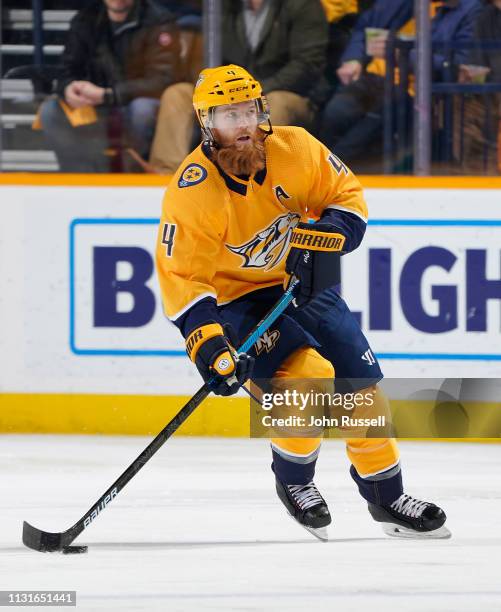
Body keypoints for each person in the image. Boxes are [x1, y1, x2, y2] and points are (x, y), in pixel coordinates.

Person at [155, 64, 450, 540]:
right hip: (237, 300)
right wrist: (209, 347)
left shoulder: (296, 148)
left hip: (302, 284)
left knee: (362, 388)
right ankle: (295, 483)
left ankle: (386, 494)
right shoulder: (192, 191)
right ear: (207, 123)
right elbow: (184, 278)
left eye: (249, 110)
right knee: (310, 377)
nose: (244, 124)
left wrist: (330, 235)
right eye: (229, 115)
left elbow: (345, 196)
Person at [147, 0, 328, 174]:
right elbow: (211, 57)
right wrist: (217, 91)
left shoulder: (304, 4)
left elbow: (308, 64)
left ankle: (258, 172)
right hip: (229, 91)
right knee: (178, 94)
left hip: (286, 93)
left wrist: (253, 91)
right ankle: (168, 173)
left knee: (272, 104)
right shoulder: (222, 5)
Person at [320, 0, 482, 170]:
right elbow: (365, 27)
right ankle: (324, 169)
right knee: (336, 113)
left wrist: (402, 54)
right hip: (374, 79)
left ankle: (326, 172)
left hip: (418, 93)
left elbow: (459, 67)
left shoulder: (470, 10)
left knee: (374, 120)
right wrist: (353, 58)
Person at [38, 0, 183, 172]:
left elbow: (163, 79)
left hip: (135, 100)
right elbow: (66, 69)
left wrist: (110, 94)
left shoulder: (159, 21)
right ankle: (80, 177)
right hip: (94, 103)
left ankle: (136, 172)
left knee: (142, 110)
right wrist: (69, 88)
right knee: (50, 111)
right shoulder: (86, 18)